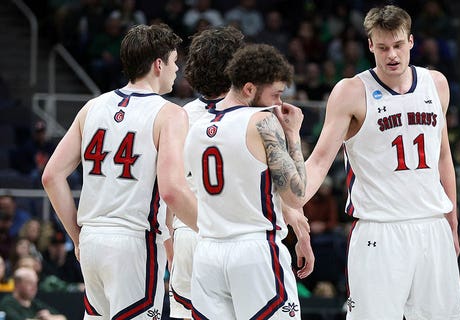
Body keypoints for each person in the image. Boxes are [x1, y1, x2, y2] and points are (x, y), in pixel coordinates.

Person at [290, 5, 460, 319]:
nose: (392, 55)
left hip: (432, 225)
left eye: (398, 45)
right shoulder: (351, 91)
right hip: (379, 231)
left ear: (411, 41)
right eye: (382, 47)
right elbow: (318, 163)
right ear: (370, 46)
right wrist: (292, 204)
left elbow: (443, 157)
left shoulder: (436, 84)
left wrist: (451, 220)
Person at [41, 23, 197, 318]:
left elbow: (51, 176)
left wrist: (77, 236)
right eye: (175, 62)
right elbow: (172, 190)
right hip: (134, 242)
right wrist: (215, 231)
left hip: (91, 241)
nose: (177, 70)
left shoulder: (92, 107)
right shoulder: (170, 114)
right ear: (158, 64)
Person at [184, 43, 313, 319]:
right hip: (255, 251)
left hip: (207, 253)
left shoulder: (194, 127)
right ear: (249, 89)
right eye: (276, 95)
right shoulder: (262, 122)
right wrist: (293, 135)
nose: (279, 103)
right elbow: (296, 195)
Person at [168, 25, 244, 320]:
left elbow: (166, 191)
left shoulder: (180, 116)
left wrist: (169, 243)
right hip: (237, 235)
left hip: (188, 233)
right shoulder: (253, 117)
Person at [0, 267, 67, 320]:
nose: (34, 287)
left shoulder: (35, 304)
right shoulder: (8, 303)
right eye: (29, 283)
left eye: (35, 283)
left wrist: (50, 318)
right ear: (17, 284)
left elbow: (63, 318)